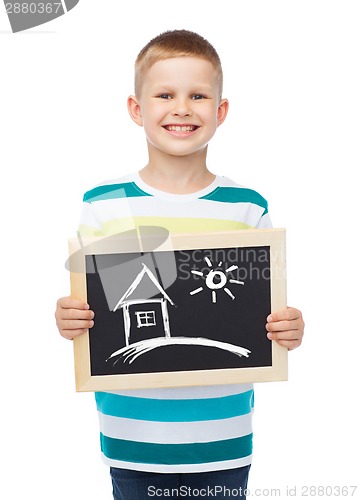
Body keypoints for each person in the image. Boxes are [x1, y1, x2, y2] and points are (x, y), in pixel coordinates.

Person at [55, 30, 304, 499]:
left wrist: (289, 326)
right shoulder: (104, 204)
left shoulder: (247, 206)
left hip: (223, 437)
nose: (182, 108)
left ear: (220, 111)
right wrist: (70, 318)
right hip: (133, 437)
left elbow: (266, 307)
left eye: (198, 95)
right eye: (165, 95)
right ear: (137, 109)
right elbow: (97, 310)